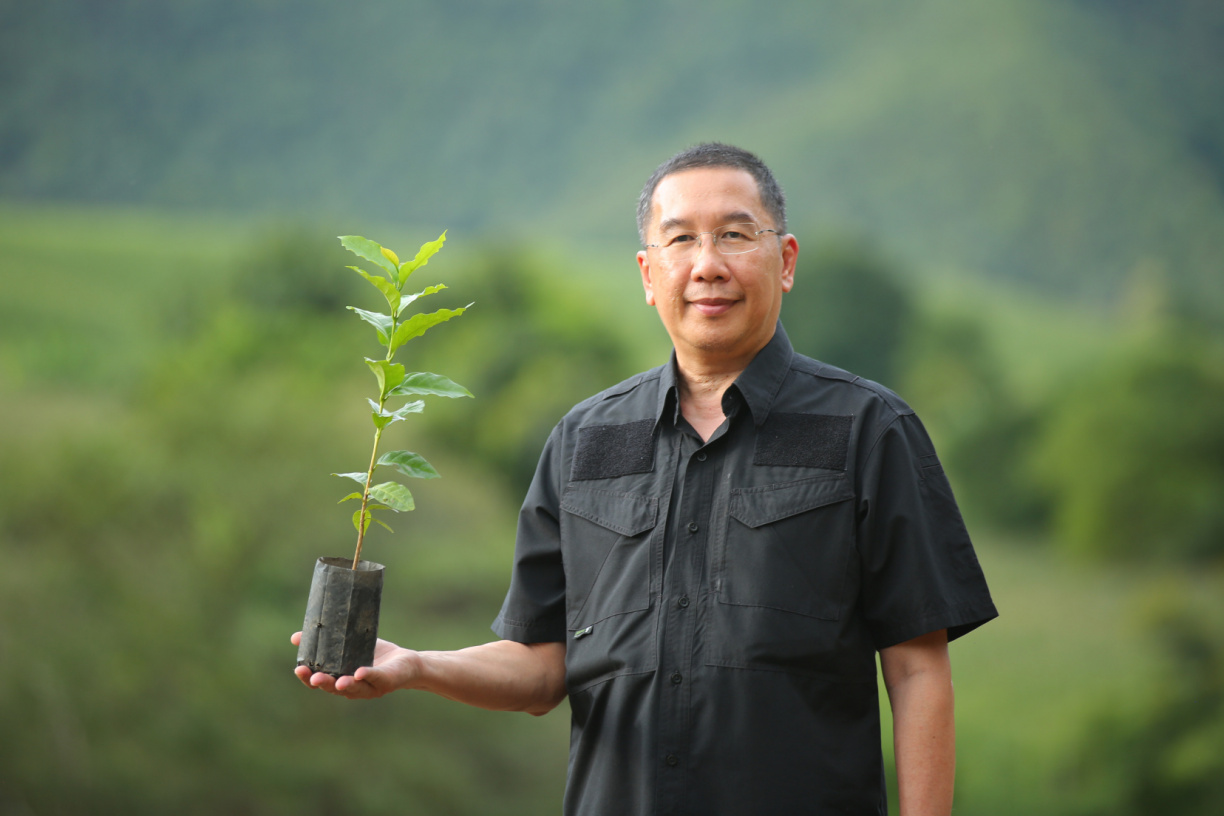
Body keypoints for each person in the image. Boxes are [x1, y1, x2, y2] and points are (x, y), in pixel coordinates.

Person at [293, 143, 998, 815]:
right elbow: (541, 668)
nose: (708, 264)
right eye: (681, 239)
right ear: (646, 273)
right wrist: (415, 664)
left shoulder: (868, 430)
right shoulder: (584, 441)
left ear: (784, 261)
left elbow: (917, 673)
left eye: (734, 235)